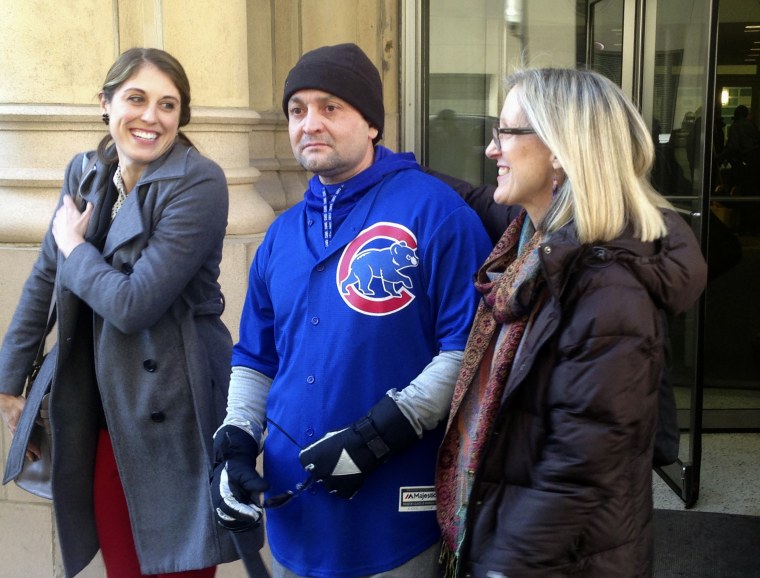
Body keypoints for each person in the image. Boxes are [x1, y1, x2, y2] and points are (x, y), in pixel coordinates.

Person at [209, 43, 492, 578]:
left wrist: (379, 433)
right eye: (297, 110)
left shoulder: (436, 213)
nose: (310, 123)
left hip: (395, 518)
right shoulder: (281, 233)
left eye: (330, 107)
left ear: (372, 124)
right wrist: (238, 440)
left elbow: (470, 349)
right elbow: (255, 357)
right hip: (295, 515)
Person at [434, 68, 708, 578]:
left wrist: (499, 569)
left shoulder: (606, 287)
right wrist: (387, 165)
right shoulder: (535, 248)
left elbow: (578, 471)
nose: (492, 150)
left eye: (506, 133)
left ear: (559, 150)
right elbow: (472, 196)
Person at [0, 48, 238, 577]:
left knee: (176, 564)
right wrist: (9, 383)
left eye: (168, 105)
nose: (150, 117)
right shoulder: (85, 171)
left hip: (172, 404)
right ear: (105, 103)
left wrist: (74, 247)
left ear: (182, 117)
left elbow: (134, 304)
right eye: (136, 98)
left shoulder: (199, 182)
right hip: (101, 403)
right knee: (124, 567)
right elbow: (44, 278)